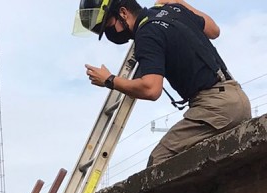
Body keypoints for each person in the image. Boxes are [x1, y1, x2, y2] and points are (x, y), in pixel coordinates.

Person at [79, 0, 251, 165]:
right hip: (237, 98)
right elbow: (214, 30)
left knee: (160, 159)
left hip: (215, 107)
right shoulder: (173, 11)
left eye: (109, 25)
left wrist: (109, 80)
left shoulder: (146, 33)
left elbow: (151, 89)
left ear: (123, 12)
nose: (111, 34)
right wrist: (179, 2)